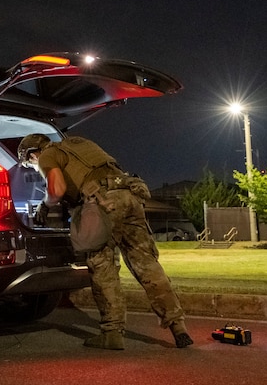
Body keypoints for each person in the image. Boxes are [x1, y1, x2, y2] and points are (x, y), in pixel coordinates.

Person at [17, 134, 193, 350]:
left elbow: (57, 189)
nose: (33, 167)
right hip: (130, 196)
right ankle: (178, 326)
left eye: (30, 163)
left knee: (103, 269)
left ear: (33, 153)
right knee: (148, 265)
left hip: (102, 203)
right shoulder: (79, 145)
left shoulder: (48, 155)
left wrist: (44, 205)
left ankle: (112, 333)